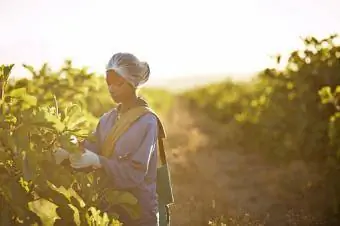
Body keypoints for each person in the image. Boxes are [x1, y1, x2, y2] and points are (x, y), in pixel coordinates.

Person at [53, 52, 173, 226]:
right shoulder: (107, 119)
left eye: (118, 83)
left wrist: (99, 161)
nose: (111, 88)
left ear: (132, 82)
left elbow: (135, 173)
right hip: (107, 210)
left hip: (139, 212)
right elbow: (91, 146)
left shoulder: (147, 121)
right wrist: (69, 151)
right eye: (108, 82)